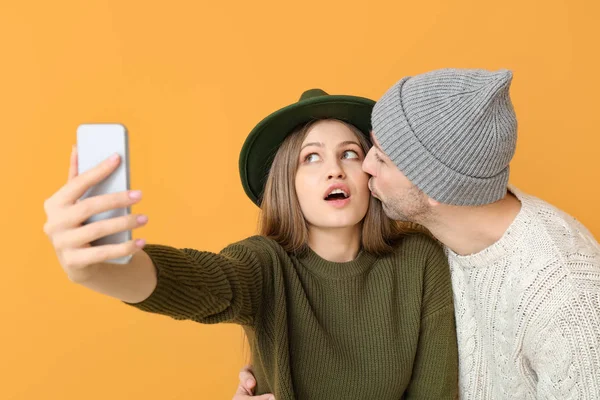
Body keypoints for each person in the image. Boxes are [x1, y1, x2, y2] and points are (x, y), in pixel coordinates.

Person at [43, 89, 459, 399]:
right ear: (287, 184)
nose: (333, 169)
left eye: (349, 153)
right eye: (310, 158)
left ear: (372, 173)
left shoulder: (419, 259)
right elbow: (201, 283)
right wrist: (100, 268)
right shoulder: (265, 264)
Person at [236, 69, 600, 399]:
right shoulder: (430, 243)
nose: (363, 167)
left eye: (381, 157)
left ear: (434, 187)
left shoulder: (565, 294)